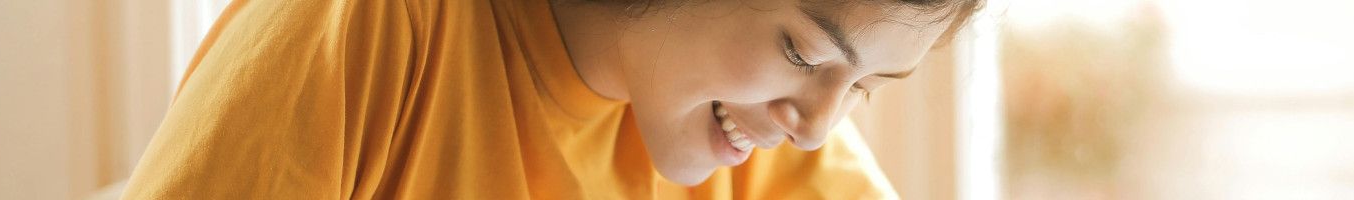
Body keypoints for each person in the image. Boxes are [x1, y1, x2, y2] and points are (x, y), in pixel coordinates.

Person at [121, 0, 980, 199]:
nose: (815, 125)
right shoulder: (369, 29)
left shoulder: (762, 145)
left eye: (863, 85)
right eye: (800, 50)